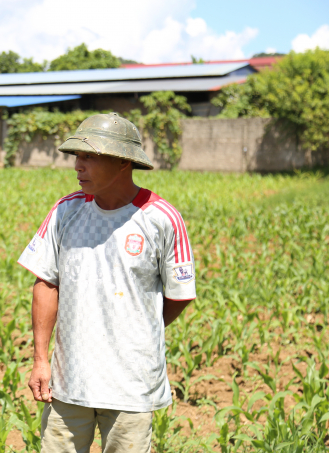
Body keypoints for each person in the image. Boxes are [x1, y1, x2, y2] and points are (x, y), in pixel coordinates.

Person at [18, 113, 196, 453]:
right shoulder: (65, 211)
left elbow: (180, 295)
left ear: (122, 162)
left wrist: (140, 328)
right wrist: (41, 359)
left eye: (89, 156)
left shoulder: (161, 219)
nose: (77, 166)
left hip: (131, 384)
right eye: (76, 157)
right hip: (69, 382)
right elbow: (46, 283)